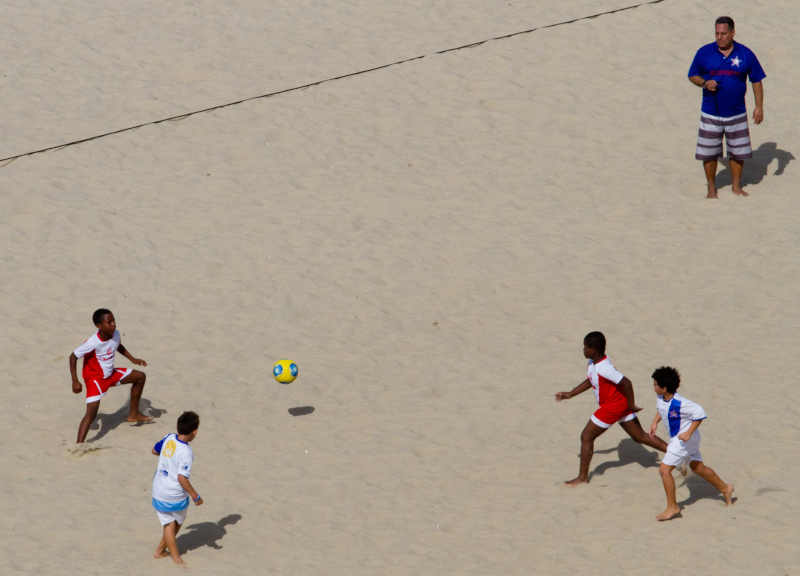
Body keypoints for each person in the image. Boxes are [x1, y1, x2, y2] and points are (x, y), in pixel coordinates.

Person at [555, 331, 669, 486]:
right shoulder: (593, 363)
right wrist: (570, 394)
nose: (583, 350)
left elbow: (627, 383)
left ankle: (582, 478)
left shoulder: (604, 367)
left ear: (593, 349)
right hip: (619, 403)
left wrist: (631, 405)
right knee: (639, 436)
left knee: (586, 437)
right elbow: (591, 380)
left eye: (585, 347)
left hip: (613, 406)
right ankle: (676, 454)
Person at [688, 16, 766, 198]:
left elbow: (756, 80)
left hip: (737, 113)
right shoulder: (704, 52)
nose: (720, 37)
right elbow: (692, 74)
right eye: (717, 33)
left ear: (732, 33)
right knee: (709, 154)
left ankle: (736, 186)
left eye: (723, 33)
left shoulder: (745, 53)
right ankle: (711, 188)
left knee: (738, 153)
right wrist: (704, 83)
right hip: (710, 113)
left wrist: (759, 106)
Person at [648, 367, 734, 521]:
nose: (653, 386)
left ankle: (673, 507)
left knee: (664, 470)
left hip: (682, 440)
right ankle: (725, 488)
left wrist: (688, 433)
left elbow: (699, 413)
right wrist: (655, 422)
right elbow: (662, 410)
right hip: (689, 439)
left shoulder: (680, 403)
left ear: (664, 388)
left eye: (655, 384)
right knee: (698, 468)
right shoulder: (661, 397)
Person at [69, 308, 153, 443]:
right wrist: (75, 381)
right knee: (91, 414)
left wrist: (132, 359)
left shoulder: (115, 334)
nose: (113, 324)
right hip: (95, 379)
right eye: (109, 322)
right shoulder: (92, 342)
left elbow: (117, 345)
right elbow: (73, 357)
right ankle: (79, 445)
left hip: (111, 374)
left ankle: (133, 414)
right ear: (99, 326)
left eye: (114, 320)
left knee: (140, 377)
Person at [152, 411, 203, 568]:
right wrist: (195, 496)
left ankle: (160, 551)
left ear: (177, 427)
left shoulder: (168, 437)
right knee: (171, 524)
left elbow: (154, 450)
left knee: (174, 521)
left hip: (158, 488)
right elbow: (182, 478)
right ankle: (177, 559)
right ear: (195, 432)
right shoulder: (186, 452)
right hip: (173, 494)